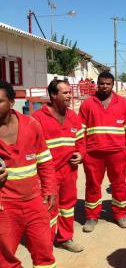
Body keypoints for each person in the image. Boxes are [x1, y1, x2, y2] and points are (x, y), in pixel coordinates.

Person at [0, 80, 57, 267]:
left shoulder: (31, 125)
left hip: (34, 202)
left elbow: (45, 161)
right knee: (4, 259)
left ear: (11, 102)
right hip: (4, 207)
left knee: (44, 254)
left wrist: (50, 189)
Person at [79, 71, 126, 232]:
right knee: (92, 185)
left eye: (108, 83)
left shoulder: (123, 103)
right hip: (93, 154)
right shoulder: (88, 103)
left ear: (113, 85)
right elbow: (80, 131)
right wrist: (83, 151)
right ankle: (91, 216)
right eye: (101, 83)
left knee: (119, 185)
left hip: (117, 154)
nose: (104, 86)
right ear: (97, 84)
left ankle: (120, 215)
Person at [32, 80, 85, 253]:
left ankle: (65, 238)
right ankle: (45, 243)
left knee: (68, 207)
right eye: (65, 93)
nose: (70, 95)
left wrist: (81, 154)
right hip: (48, 174)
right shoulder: (37, 118)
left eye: (70, 92)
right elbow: (31, 147)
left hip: (69, 171)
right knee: (48, 208)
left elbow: (80, 140)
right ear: (53, 95)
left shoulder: (73, 116)